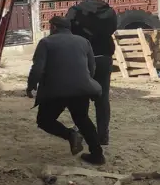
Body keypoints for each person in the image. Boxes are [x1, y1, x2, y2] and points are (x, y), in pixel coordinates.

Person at [27, 15, 105, 165]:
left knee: (44, 120)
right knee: (83, 120)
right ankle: (97, 155)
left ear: (54, 27)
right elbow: (91, 67)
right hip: (82, 89)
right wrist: (83, 81)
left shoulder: (46, 42)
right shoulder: (84, 41)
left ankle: (70, 134)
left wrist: (31, 86)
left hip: (56, 91)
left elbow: (37, 68)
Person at [66, 0, 118, 146]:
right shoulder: (109, 13)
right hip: (102, 58)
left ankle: (82, 131)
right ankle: (103, 136)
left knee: (81, 97)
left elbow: (66, 30)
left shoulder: (74, 11)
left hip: (81, 59)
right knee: (102, 99)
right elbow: (112, 29)